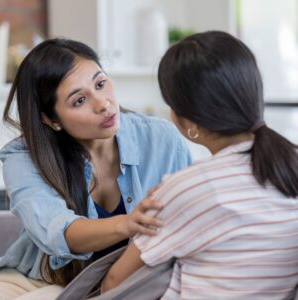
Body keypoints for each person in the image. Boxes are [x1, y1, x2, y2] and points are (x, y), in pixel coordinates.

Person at [101, 30, 298, 299]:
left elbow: (115, 284)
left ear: (186, 121)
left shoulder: (189, 187)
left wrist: (166, 203)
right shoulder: (290, 163)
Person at [0, 38, 192, 299]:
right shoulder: (23, 158)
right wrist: (128, 224)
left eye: (101, 84)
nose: (103, 104)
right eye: (79, 100)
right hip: (41, 281)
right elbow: (56, 231)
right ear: (51, 119)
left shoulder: (162, 139)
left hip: (134, 279)